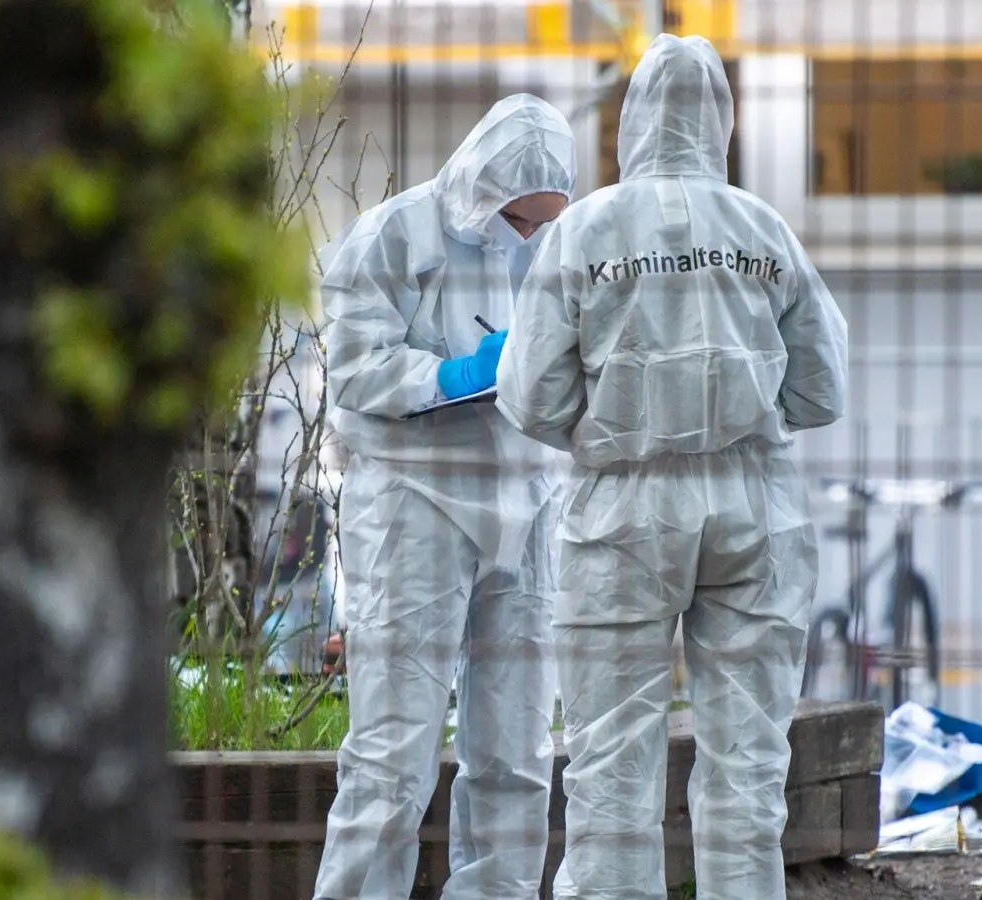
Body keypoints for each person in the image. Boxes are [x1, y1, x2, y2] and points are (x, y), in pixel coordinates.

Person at [496, 35, 849, 900]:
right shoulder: (764, 229)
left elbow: (530, 397)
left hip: (623, 508)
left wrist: (618, 427)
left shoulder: (586, 229)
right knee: (749, 766)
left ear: (634, 119)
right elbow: (822, 390)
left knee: (613, 763)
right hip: (755, 505)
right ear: (723, 121)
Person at [313, 93, 576, 900]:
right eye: (519, 219)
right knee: (392, 752)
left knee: (518, 751)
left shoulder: (552, 251)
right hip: (414, 503)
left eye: (540, 224)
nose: (526, 236)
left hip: (528, 501)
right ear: (484, 189)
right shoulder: (395, 236)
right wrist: (451, 376)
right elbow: (355, 366)